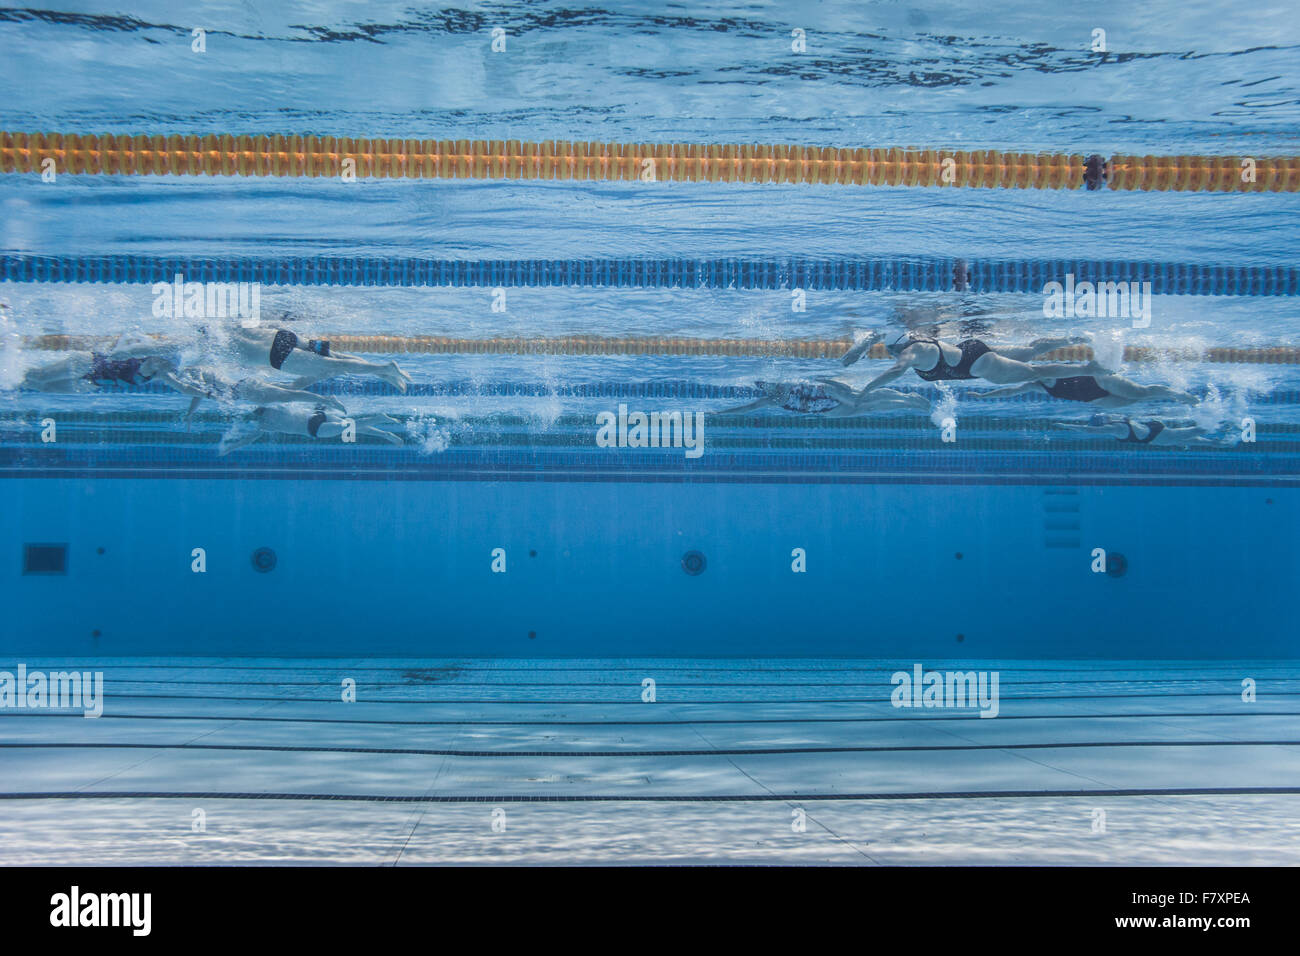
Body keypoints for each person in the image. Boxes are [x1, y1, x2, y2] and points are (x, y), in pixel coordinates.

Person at [840, 331, 1105, 392]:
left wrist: (867, 389)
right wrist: (857, 349)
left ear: (899, 347)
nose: (892, 355)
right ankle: (1074, 337)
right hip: (971, 350)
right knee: (1028, 351)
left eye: (891, 352)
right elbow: (876, 332)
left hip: (977, 365)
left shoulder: (913, 351)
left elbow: (896, 371)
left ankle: (1088, 369)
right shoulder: (910, 342)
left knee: (1034, 372)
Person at [213, 327, 413, 393]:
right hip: (282, 335)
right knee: (335, 357)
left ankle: (385, 368)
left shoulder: (216, 348)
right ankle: (383, 373)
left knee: (333, 366)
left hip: (277, 356)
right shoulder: (225, 330)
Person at [156, 365, 347, 425]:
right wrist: (190, 413)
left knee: (287, 395)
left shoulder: (191, 371)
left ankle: (326, 399)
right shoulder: (195, 372)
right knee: (290, 389)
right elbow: (199, 393)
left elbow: (199, 391)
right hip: (245, 388)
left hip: (245, 391)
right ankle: (327, 372)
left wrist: (191, 411)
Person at [217, 404, 404, 455]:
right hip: (317, 414)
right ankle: (386, 435)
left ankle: (379, 419)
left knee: (347, 427)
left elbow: (249, 439)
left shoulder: (263, 425)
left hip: (312, 428)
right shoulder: (272, 405)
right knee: (351, 427)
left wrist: (230, 448)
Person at [720, 380, 929, 417]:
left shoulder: (784, 384)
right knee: (866, 405)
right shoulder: (772, 400)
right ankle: (907, 399)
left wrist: (832, 383)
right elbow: (745, 408)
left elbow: (826, 384)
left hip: (831, 397)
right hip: (828, 409)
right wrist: (719, 412)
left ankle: (908, 400)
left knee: (865, 400)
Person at [974, 373, 1199, 407]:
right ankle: (1170, 395)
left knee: (1140, 393)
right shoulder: (1037, 385)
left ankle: (1176, 393)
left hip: (1101, 383)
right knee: (1134, 402)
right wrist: (984, 395)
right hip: (1095, 401)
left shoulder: (1055, 369)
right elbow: (1009, 392)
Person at [17, 351, 177, 393]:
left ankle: (6, 376)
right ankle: (7, 360)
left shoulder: (159, 375)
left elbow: (183, 387)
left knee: (44, 387)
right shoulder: (152, 360)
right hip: (89, 364)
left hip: (89, 384)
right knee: (40, 376)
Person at [1052, 414, 1211, 446]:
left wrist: (1067, 425)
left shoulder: (1116, 426)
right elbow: (1090, 430)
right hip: (1155, 430)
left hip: (1158, 437)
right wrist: (1067, 425)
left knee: (1197, 434)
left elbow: (1090, 430)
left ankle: (1220, 422)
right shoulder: (1116, 423)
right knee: (1197, 438)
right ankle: (1224, 438)